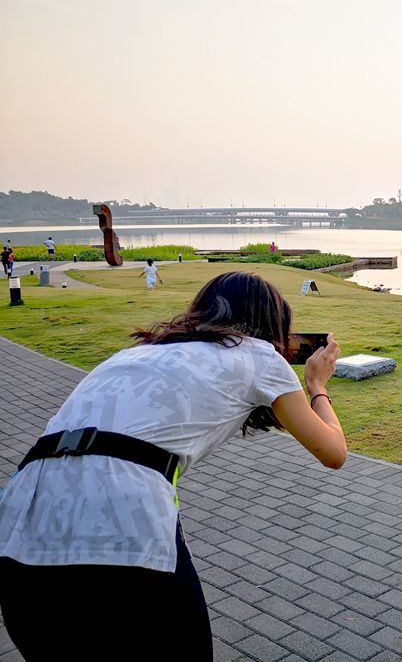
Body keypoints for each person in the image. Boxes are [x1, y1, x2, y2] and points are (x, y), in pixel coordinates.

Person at [0, 271, 348, 660]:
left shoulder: (135, 353)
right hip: (124, 527)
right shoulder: (259, 354)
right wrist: (317, 384)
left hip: (18, 527)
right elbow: (333, 451)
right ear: (272, 324)